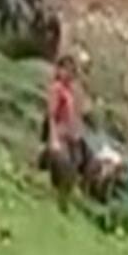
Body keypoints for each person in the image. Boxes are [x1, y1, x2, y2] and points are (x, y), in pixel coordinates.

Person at [44, 54, 86, 198]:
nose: (68, 74)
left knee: (75, 165)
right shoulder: (57, 89)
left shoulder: (71, 92)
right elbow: (52, 115)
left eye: (71, 71)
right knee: (63, 164)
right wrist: (54, 138)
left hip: (72, 137)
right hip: (61, 135)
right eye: (65, 69)